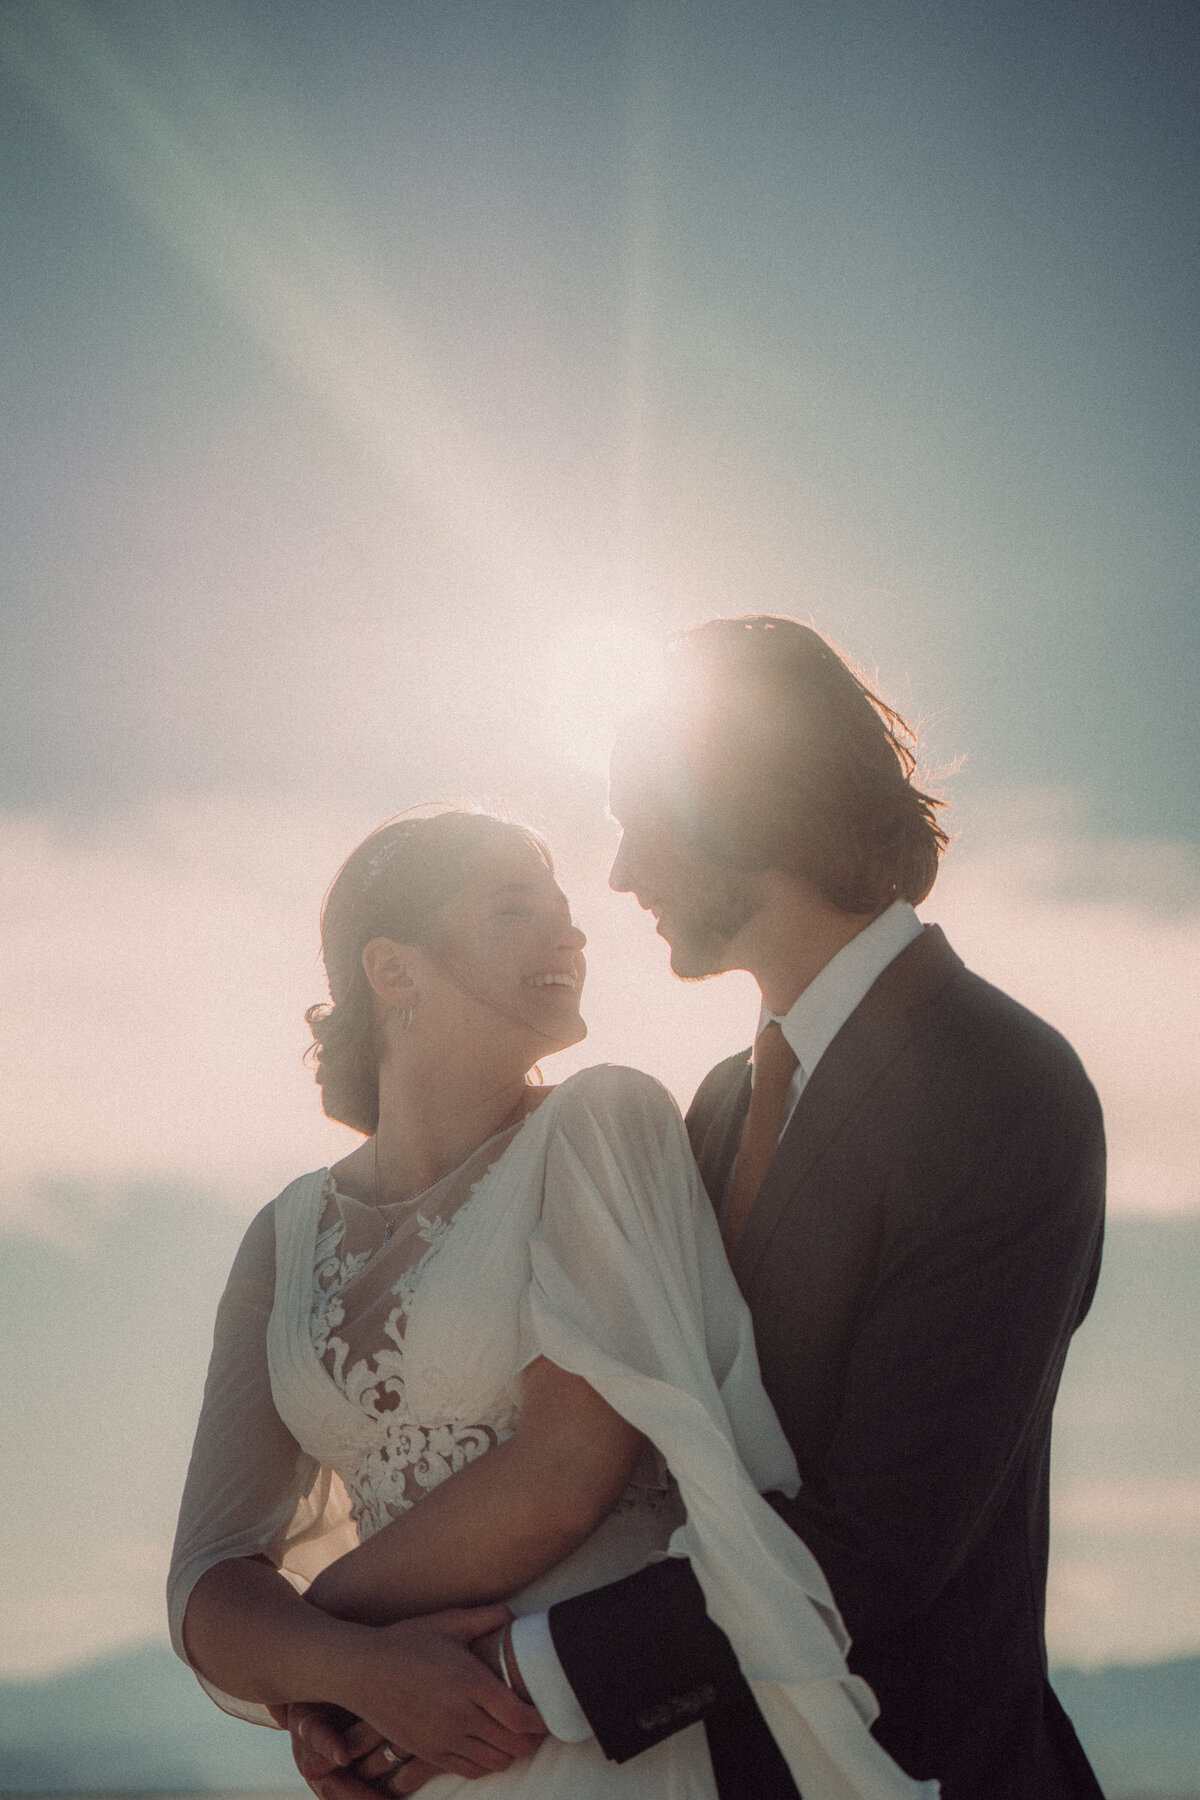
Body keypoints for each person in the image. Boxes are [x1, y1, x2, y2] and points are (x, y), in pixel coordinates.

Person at [168, 806, 935, 1800]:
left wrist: (315, 1642)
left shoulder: (604, 1123)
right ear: (393, 972)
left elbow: (563, 1473)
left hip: (591, 1747)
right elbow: (207, 1584)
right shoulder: (284, 1236)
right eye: (513, 909)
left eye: (565, 911)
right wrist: (351, 1677)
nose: (569, 934)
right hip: (414, 1751)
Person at [498, 617, 1106, 1798]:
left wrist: (506, 1682)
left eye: (639, 820)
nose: (619, 875)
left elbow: (877, 1548)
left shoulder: (1005, 1087)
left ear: (743, 806)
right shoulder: (721, 1105)